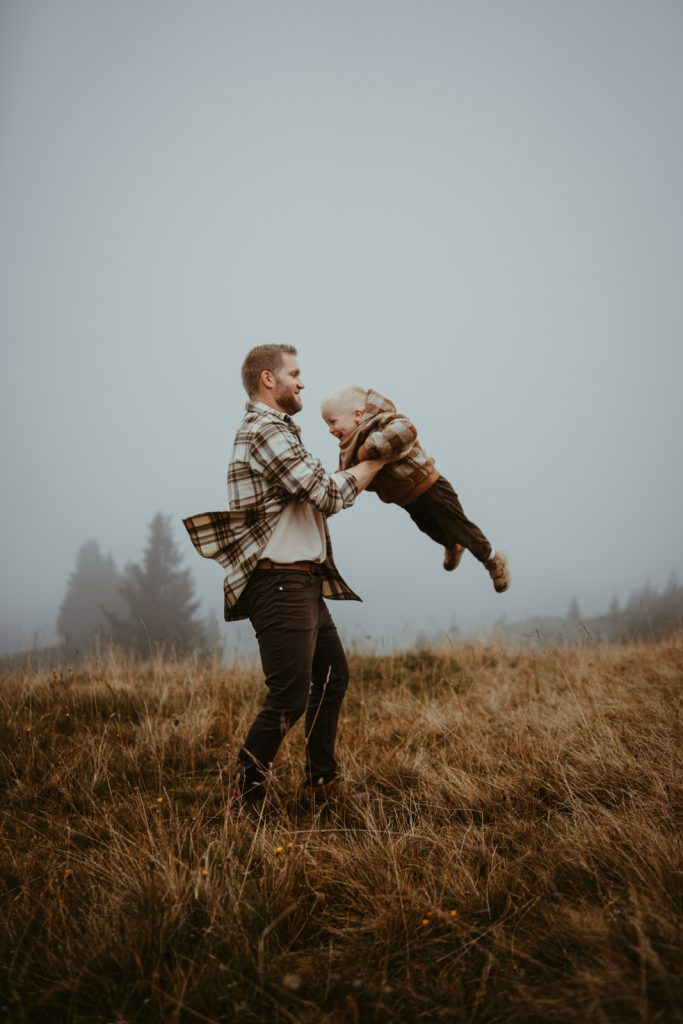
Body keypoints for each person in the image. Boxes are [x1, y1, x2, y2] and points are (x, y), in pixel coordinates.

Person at [183, 345, 387, 820]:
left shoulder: (279, 432)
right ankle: (243, 803)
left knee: (332, 677)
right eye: (295, 374)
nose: (302, 382)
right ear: (268, 379)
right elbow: (324, 493)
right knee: (289, 698)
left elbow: (316, 487)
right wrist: (377, 460)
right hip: (280, 583)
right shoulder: (264, 430)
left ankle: (321, 787)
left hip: (301, 581)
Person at [321, 385, 511, 593]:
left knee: (458, 525)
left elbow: (406, 429)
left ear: (357, 415)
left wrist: (372, 448)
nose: (330, 429)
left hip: (430, 485)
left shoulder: (380, 422)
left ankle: (493, 560)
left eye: (333, 422)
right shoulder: (348, 450)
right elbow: (347, 477)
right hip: (406, 500)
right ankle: (452, 545)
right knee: (429, 527)